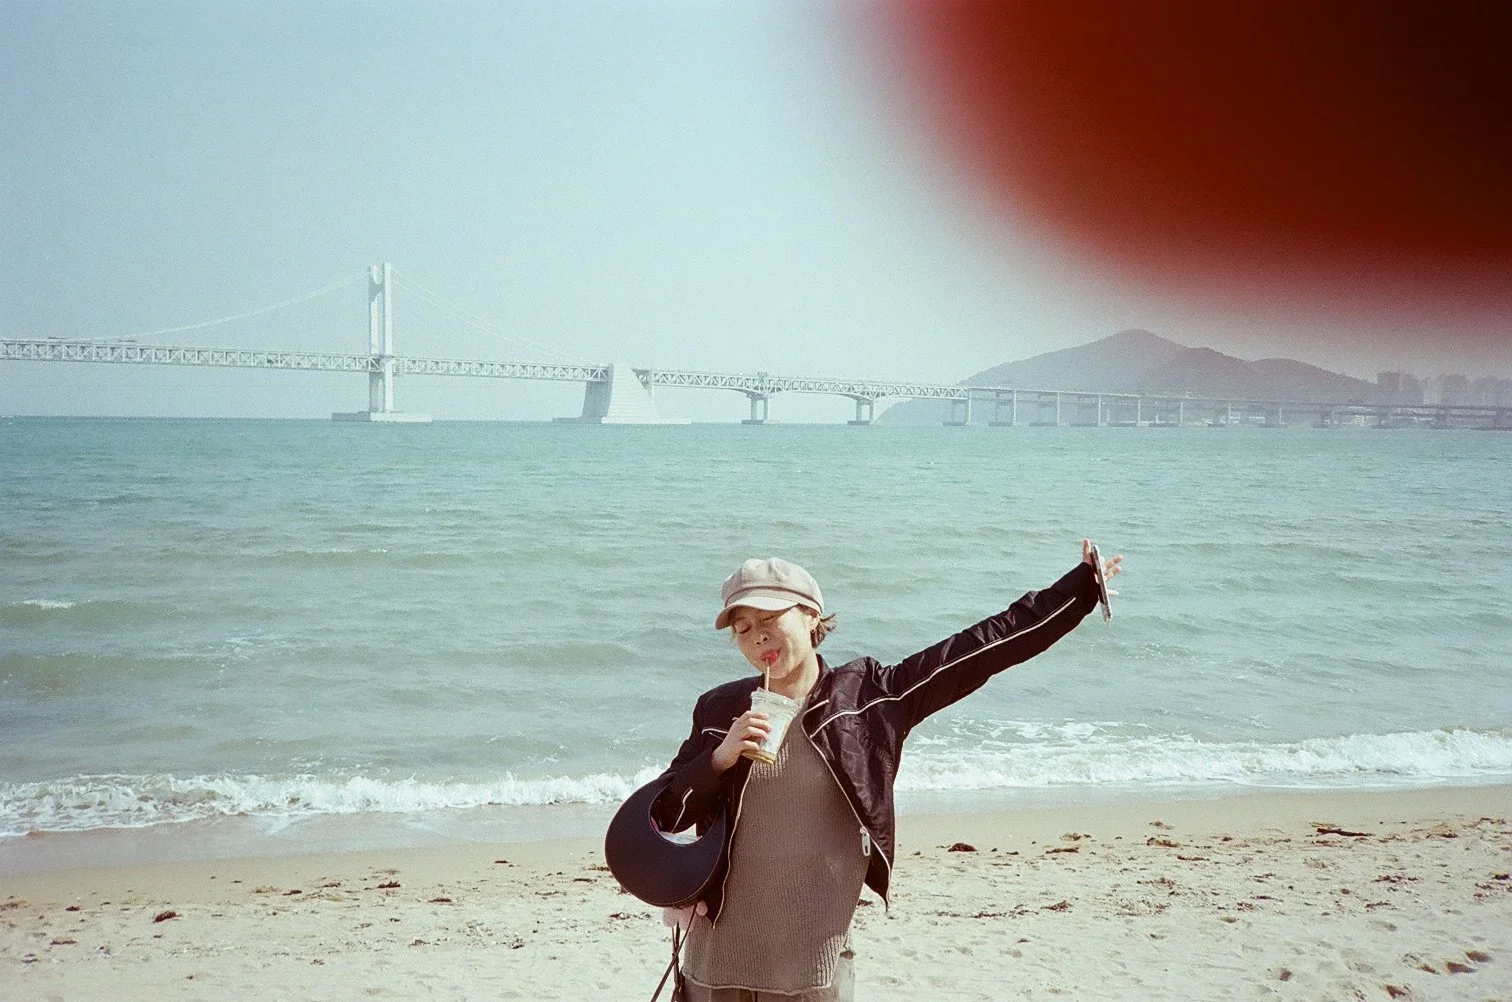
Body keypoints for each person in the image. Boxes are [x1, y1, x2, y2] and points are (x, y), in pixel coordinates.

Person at [650, 539, 1123, 1001]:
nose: (758, 636)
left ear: (812, 615)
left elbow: (982, 649)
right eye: (743, 626)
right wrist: (717, 760)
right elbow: (662, 818)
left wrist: (1079, 592)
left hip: (811, 966)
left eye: (771, 618)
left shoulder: (869, 701)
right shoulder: (719, 709)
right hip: (714, 965)